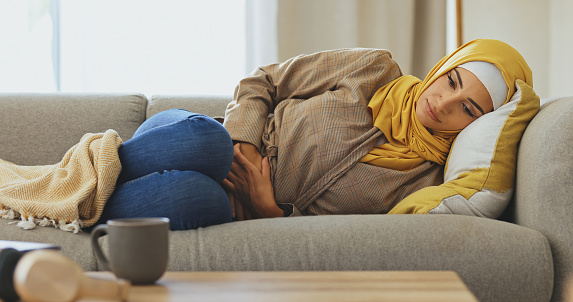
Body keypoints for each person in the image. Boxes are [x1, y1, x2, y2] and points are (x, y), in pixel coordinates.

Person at [97, 39, 532, 230]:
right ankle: (89, 173)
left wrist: (272, 211)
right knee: (208, 145)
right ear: (444, 66)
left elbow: (344, 236)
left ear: (478, 125)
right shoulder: (374, 69)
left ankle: (82, 205)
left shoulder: (425, 182)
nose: (443, 102)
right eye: (452, 81)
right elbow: (262, 81)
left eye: (468, 109)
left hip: (233, 206)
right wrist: (242, 144)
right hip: (193, 139)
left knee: (201, 200)